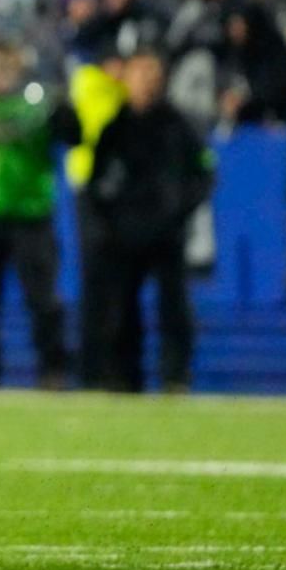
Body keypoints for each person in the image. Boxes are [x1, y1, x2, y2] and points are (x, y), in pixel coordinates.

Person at [82, 46, 212, 392]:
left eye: (153, 75)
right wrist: (111, 219)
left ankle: (175, 377)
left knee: (174, 309)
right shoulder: (115, 128)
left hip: (166, 234)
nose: (147, 83)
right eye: (140, 74)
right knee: (121, 311)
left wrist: (179, 209)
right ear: (125, 78)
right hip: (124, 236)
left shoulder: (177, 125)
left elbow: (202, 174)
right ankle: (124, 379)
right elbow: (95, 181)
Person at [0, 40, 75, 390]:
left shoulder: (40, 103)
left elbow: (74, 135)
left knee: (43, 301)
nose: (3, 68)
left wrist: (64, 106)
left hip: (31, 217)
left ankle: (53, 372)